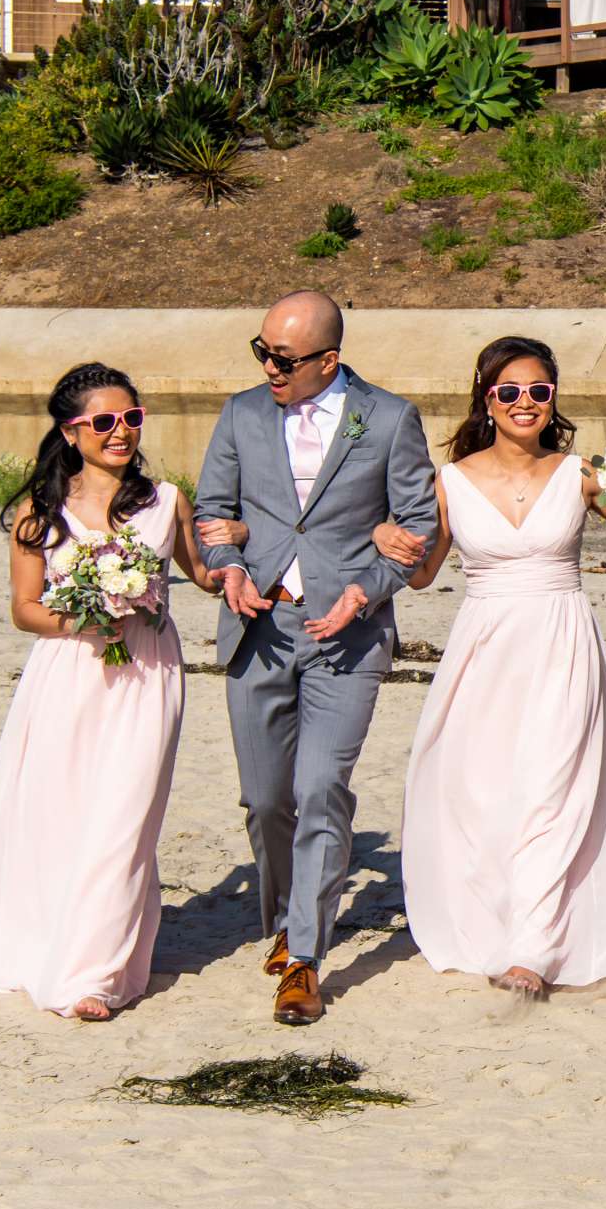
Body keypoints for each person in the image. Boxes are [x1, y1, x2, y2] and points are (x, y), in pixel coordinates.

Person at [0, 363, 224, 1020]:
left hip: (149, 676)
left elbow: (203, 575)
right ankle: (50, 945)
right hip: (68, 677)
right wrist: (87, 615)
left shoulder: (165, 500)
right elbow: (24, 609)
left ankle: (94, 977)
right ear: (71, 432)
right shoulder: (40, 513)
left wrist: (235, 549)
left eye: (132, 418)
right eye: (104, 422)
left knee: (126, 818)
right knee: (61, 816)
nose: (121, 432)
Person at [192, 291, 439, 1026]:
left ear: (328, 360)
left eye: (284, 358)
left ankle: (304, 956)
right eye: (260, 350)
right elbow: (213, 511)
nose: (268, 366)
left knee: (323, 787)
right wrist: (226, 565)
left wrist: (366, 591)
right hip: (257, 627)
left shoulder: (390, 419)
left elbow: (418, 527)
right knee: (267, 799)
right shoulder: (240, 413)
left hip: (348, 634)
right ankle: (281, 920)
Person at [371, 337, 606, 997]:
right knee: (482, 790)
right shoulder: (449, 480)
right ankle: (491, 922)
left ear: (554, 402)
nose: (526, 403)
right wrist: (385, 538)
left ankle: (534, 950)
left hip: (561, 639)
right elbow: (422, 575)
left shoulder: (583, 474)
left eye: (539, 392)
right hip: (484, 649)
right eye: (510, 392)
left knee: (555, 791)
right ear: (487, 399)